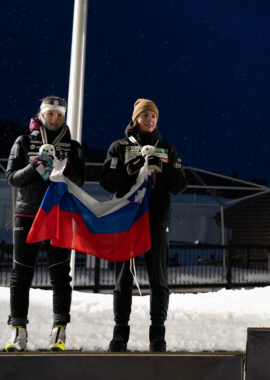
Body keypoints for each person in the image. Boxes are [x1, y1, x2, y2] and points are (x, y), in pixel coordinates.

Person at [100, 99, 187, 352]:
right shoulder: (119, 147)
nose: (150, 120)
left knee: (158, 280)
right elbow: (107, 182)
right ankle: (120, 335)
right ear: (136, 118)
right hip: (126, 221)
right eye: (145, 115)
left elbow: (181, 185)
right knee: (123, 279)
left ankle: (157, 336)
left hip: (157, 221)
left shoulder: (168, 149)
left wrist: (163, 167)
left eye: (154, 116)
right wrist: (132, 167)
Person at [4, 96, 85, 351]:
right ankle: (18, 332)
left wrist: (64, 167)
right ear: (41, 115)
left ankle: (59, 332)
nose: (54, 119)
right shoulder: (24, 141)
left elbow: (80, 181)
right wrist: (34, 166)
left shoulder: (72, 146)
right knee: (21, 274)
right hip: (27, 215)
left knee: (61, 275)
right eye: (50, 114)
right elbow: (11, 178)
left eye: (59, 115)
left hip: (59, 215)